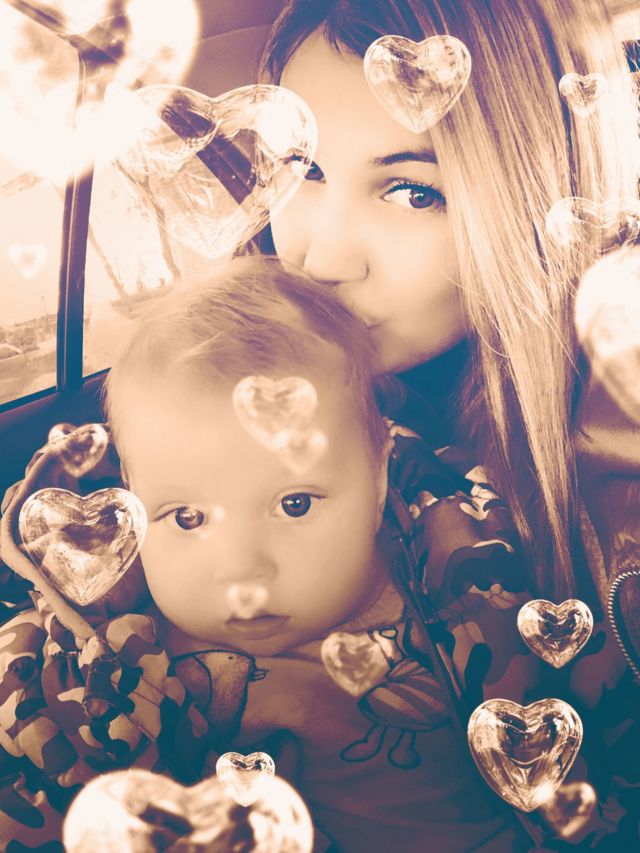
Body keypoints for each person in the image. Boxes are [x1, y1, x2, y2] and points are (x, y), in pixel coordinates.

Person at [256, 0, 640, 846]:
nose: (320, 257)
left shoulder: (619, 443)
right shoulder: (292, 381)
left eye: (411, 191)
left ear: (540, 190)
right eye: (302, 168)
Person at [0, 256, 545, 851]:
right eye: (187, 517)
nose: (241, 569)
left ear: (379, 480)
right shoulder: (117, 667)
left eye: (294, 504)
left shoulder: (470, 567)